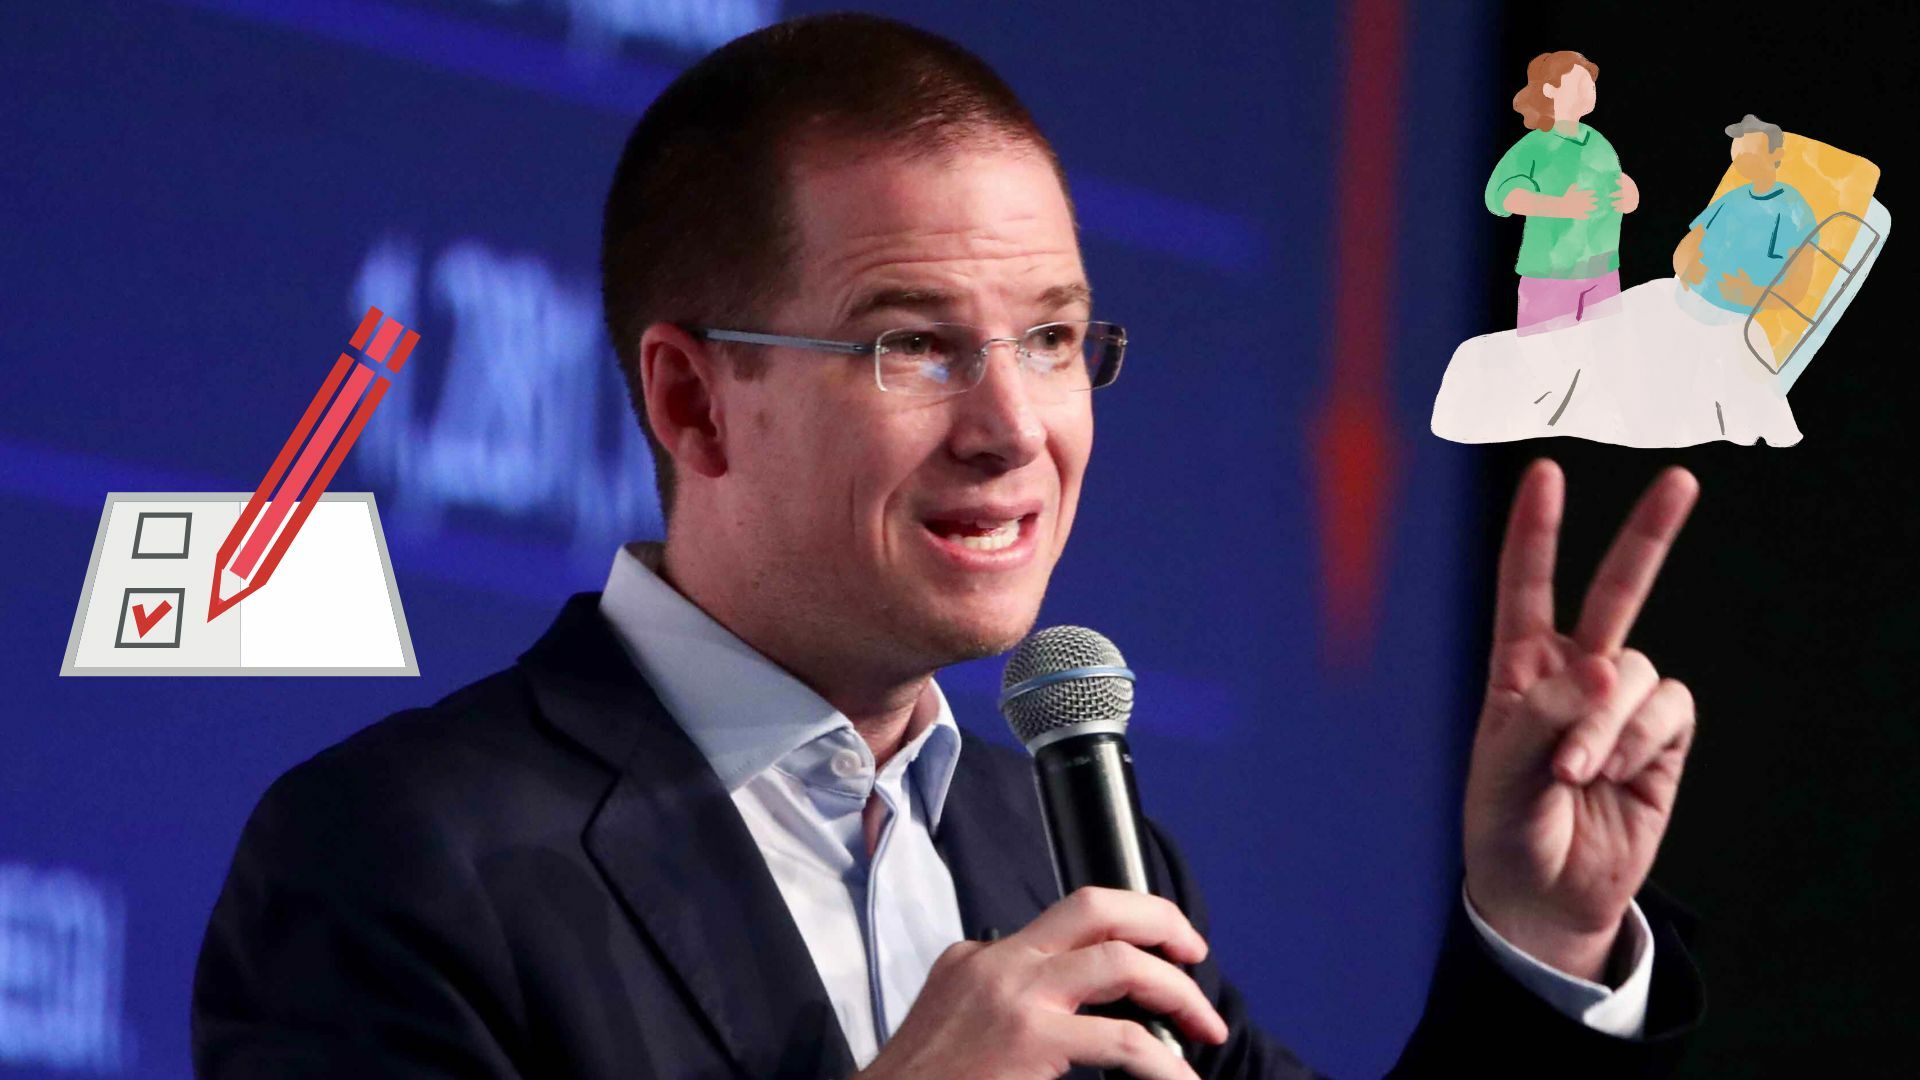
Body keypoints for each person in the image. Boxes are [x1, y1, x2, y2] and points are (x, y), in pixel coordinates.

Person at [192, 15, 1706, 1078]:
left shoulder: (1064, 846)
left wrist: (1541, 932)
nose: (1013, 427)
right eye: (912, 345)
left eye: (1052, 339)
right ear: (693, 400)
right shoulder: (397, 856)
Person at [1484, 50, 1641, 336]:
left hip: (1602, 270)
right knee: (1547, 349)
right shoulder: (1536, 146)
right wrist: (1560, 206)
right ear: (1550, 90)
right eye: (1579, 84)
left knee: (1601, 347)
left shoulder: (1599, 144)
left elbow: (1617, 186)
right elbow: (1501, 197)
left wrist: (1630, 196)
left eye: (1590, 85)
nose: (1589, 91)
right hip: (1551, 273)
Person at [1673, 114, 1819, 318]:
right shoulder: (1733, 198)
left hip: (1735, 318)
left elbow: (1797, 288)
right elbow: (1690, 241)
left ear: (1777, 155)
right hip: (1686, 300)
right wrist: (1684, 268)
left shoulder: (1794, 209)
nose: (1742, 158)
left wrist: (1750, 294)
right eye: (1738, 151)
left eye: (1750, 151)